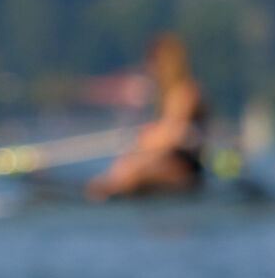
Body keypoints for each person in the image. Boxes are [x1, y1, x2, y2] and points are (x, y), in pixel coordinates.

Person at [86, 33, 210, 200]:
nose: (149, 68)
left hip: (183, 170)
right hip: (166, 162)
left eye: (153, 62)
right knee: (125, 168)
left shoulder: (185, 93)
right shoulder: (169, 95)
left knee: (131, 174)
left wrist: (145, 143)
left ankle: (107, 191)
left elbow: (171, 137)